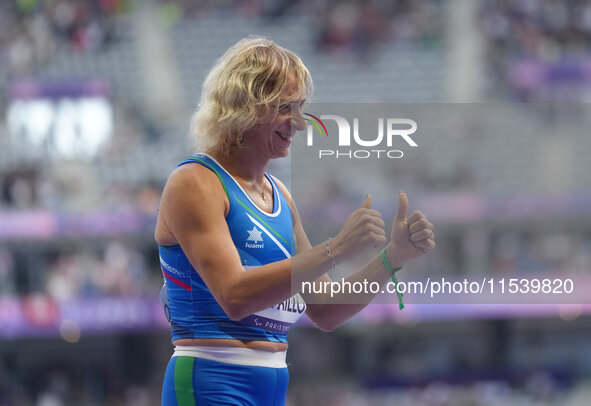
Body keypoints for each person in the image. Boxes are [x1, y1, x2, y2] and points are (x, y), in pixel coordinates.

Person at [155, 36, 435, 406]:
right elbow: (235, 297)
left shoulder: (280, 196)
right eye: (286, 107)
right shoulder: (195, 182)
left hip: (271, 386)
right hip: (210, 381)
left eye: (300, 107)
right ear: (245, 105)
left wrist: (393, 257)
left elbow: (326, 309)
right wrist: (337, 248)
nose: (300, 123)